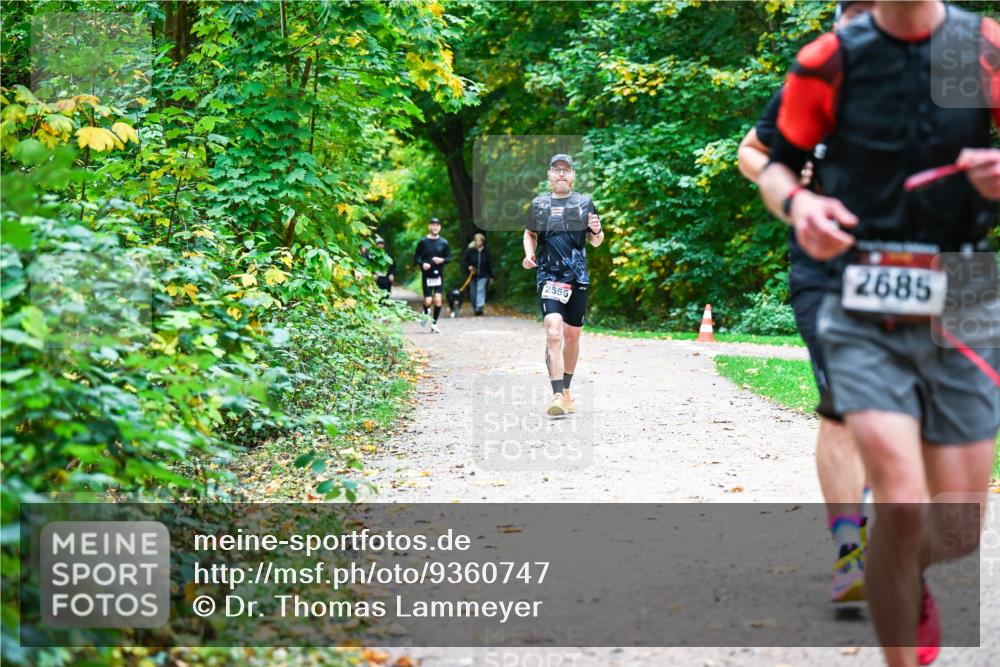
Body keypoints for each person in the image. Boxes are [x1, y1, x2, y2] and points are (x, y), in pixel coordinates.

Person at [759, 2, 1000, 664]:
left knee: (957, 529)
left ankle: (903, 569)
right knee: (900, 498)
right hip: (860, 290)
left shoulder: (978, 47)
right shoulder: (832, 58)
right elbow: (777, 164)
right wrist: (800, 204)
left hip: (963, 288)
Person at [739, 0, 873, 606]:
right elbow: (751, 152)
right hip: (824, 268)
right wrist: (797, 193)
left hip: (912, 266)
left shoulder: (934, 80)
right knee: (843, 404)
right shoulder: (814, 78)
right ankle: (851, 551)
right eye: (854, 11)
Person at [523, 154, 605, 416]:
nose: (561, 174)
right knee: (554, 332)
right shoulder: (539, 205)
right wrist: (529, 254)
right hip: (548, 276)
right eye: (556, 170)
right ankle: (557, 394)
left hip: (577, 278)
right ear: (549, 175)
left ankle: (567, 390)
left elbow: (596, 242)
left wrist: (596, 230)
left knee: (572, 335)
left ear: (573, 175)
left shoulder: (584, 203)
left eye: (566, 170)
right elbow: (530, 233)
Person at [413, 217, 451, 333]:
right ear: (429, 227)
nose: (435, 227)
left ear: (440, 227)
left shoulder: (444, 243)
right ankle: (426, 312)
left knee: (438, 300)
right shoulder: (423, 242)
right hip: (427, 275)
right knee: (428, 301)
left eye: (437, 225)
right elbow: (416, 257)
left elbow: (449, 258)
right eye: (433, 225)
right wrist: (422, 263)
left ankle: (434, 324)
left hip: (439, 275)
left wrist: (442, 260)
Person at [462, 233, 493, 316]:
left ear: (483, 242)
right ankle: (475, 308)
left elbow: (489, 264)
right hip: (472, 276)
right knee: (473, 293)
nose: (478, 242)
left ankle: (479, 307)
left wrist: (491, 276)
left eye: (480, 241)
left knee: (480, 290)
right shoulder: (470, 251)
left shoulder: (486, 252)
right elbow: (464, 261)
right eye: (477, 241)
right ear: (475, 241)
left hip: (483, 275)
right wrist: (469, 267)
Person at [373, 237, 395, 301]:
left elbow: (393, 266)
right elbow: (369, 266)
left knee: (386, 295)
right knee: (376, 295)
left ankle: (385, 304)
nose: (380, 245)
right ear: (375, 245)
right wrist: (373, 274)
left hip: (386, 278)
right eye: (378, 244)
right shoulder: (372, 255)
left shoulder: (388, 255)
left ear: (384, 245)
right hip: (376, 278)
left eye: (381, 243)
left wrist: (392, 274)